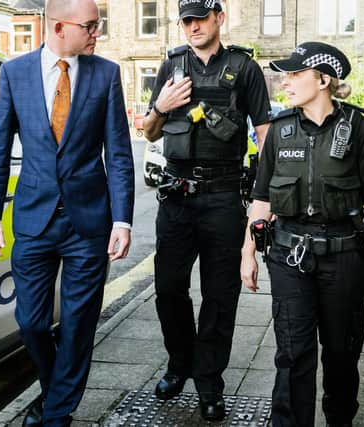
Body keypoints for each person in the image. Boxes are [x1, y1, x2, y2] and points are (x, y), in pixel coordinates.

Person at [0, 0, 135, 425]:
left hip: (89, 221)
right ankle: (55, 392)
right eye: (90, 25)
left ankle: (56, 416)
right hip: (33, 219)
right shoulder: (15, 73)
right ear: (60, 26)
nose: (96, 33)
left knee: (79, 324)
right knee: (30, 323)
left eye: (97, 25)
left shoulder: (106, 74)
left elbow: (119, 153)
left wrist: (122, 219)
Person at [240, 42, 364, 427]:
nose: (286, 81)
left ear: (323, 79)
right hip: (289, 255)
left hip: (344, 258)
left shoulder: (359, 130)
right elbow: (261, 198)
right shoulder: (278, 132)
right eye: (286, 74)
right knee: (292, 355)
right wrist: (247, 251)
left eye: (295, 74)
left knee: (342, 356)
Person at [142, 0, 271, 421]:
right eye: (186, 21)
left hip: (222, 196)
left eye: (200, 18)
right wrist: (161, 106)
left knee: (220, 295)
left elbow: (266, 137)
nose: (193, 26)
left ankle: (209, 381)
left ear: (219, 18)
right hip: (176, 195)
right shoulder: (171, 65)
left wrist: (265, 200)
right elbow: (148, 130)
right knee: (168, 288)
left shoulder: (244, 69)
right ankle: (179, 362)